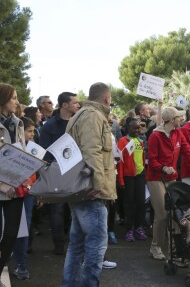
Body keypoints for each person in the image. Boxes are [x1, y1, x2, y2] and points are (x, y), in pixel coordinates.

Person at [60, 82, 117, 287]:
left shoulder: (80, 115)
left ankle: (71, 284)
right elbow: (91, 151)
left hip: (82, 188)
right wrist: (99, 184)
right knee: (96, 244)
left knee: (77, 244)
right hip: (91, 190)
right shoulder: (93, 115)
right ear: (107, 98)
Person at [147, 107, 190, 260]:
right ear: (172, 120)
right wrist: (163, 167)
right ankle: (156, 246)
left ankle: (175, 247)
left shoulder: (178, 133)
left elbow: (187, 152)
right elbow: (152, 160)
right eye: (179, 117)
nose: (182, 119)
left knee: (176, 212)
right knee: (163, 214)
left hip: (171, 178)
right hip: (156, 178)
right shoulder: (155, 136)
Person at [39, 92, 80, 255]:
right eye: (75, 103)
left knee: (75, 209)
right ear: (64, 105)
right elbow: (44, 152)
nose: (78, 105)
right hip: (56, 171)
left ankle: (74, 242)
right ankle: (59, 244)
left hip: (76, 171)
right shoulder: (49, 126)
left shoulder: (78, 124)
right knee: (57, 210)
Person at [0, 83, 25, 287]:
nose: (17, 102)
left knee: (11, 233)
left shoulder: (18, 123)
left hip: (15, 186)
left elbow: (22, 155)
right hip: (1, 185)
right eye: (14, 97)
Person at [13, 117, 37, 280]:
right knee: (10, 229)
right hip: (11, 191)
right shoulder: (12, 147)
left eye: (33, 131)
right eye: (29, 131)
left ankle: (21, 265)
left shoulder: (34, 149)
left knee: (24, 228)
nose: (32, 135)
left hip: (28, 192)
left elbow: (37, 172)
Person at [117, 117, 147, 242]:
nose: (137, 130)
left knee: (141, 203)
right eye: (134, 128)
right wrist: (121, 180)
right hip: (128, 177)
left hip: (140, 176)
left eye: (138, 128)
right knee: (129, 204)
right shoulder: (123, 141)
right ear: (127, 128)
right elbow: (120, 162)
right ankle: (129, 230)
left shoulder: (140, 141)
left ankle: (138, 227)